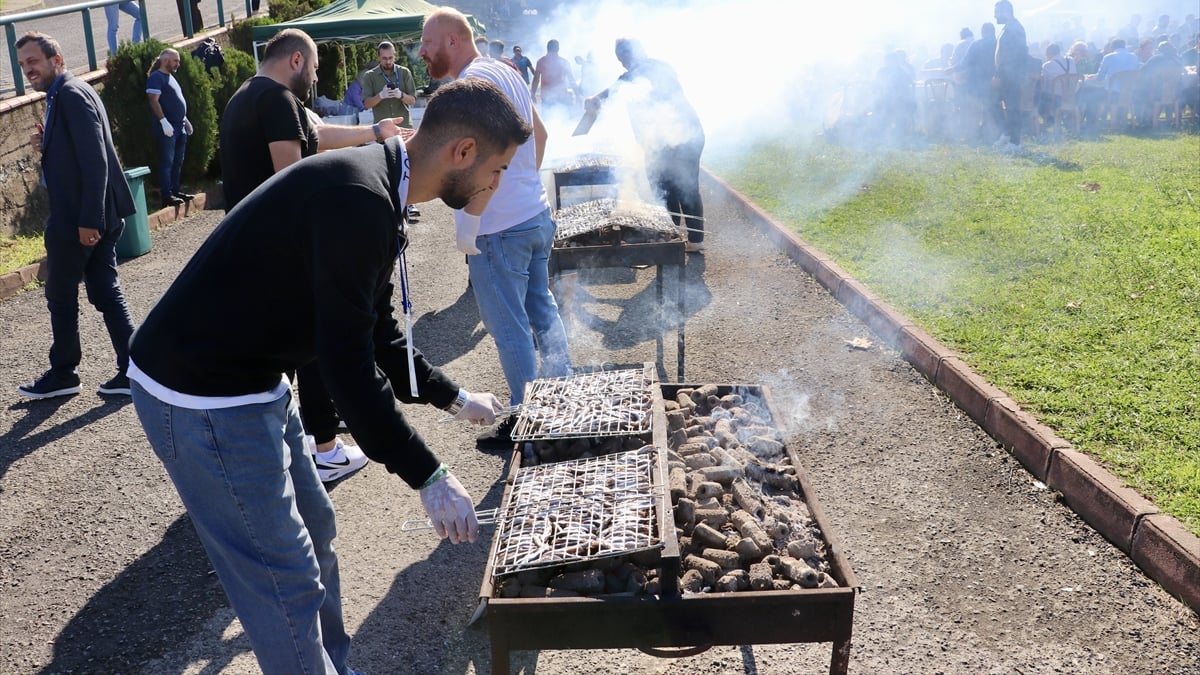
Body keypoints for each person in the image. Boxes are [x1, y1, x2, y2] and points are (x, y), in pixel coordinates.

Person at [128, 77, 522, 674]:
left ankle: (332, 667)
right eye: (498, 168)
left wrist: (454, 397)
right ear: (462, 151)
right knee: (283, 579)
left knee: (316, 529)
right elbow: (346, 368)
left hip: (258, 379)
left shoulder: (380, 185)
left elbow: (376, 330)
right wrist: (429, 475)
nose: (496, 184)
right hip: (201, 395)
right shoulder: (359, 199)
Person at [219, 28, 410, 482]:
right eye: (316, 67)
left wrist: (377, 133)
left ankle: (302, 440)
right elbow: (293, 179)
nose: (317, 76)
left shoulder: (248, 96)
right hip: (281, 246)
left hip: (252, 243)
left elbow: (318, 133)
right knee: (312, 345)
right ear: (297, 61)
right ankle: (324, 448)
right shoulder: (278, 101)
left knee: (290, 348)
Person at [419, 8, 573, 439]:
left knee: (510, 329)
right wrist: (524, 188)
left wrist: (471, 218)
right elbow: (538, 137)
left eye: (427, 42)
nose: (422, 51)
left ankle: (531, 423)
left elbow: (485, 162)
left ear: (453, 40)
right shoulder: (506, 72)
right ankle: (565, 401)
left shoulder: (473, 87)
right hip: (534, 217)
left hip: (500, 230)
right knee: (543, 311)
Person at [15, 32, 137, 399]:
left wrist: (89, 221)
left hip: (79, 216)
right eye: (22, 65)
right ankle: (135, 370)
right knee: (104, 289)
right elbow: (79, 149)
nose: (28, 70)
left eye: (33, 61)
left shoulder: (69, 94)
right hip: (91, 212)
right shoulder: (65, 93)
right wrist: (45, 143)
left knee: (60, 293)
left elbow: (95, 160)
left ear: (57, 59)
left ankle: (64, 373)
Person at [584, 38, 706, 252]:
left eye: (622, 59)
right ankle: (673, 233)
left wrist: (597, 97)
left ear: (631, 53)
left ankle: (694, 240)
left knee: (685, 186)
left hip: (682, 136)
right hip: (663, 142)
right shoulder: (644, 70)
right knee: (664, 186)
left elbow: (624, 84)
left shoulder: (651, 69)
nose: (622, 64)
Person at [361, 41, 419, 219]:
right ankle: (392, 205)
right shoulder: (370, 76)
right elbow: (366, 103)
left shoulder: (404, 72)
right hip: (382, 130)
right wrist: (380, 96)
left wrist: (401, 95)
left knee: (408, 166)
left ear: (395, 56)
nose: (388, 61)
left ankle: (409, 203)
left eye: (391, 57)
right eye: (384, 58)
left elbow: (413, 100)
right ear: (378, 57)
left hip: (404, 128)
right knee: (387, 167)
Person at [146, 48, 193, 208]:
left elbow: (174, 101)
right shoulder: (156, 78)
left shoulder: (171, 78)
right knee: (167, 161)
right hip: (168, 127)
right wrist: (163, 121)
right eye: (175, 61)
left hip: (179, 126)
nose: (178, 64)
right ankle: (167, 195)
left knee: (178, 161)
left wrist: (185, 119)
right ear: (165, 61)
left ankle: (175, 190)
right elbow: (153, 100)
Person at [992, 0, 1027, 152]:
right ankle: (1006, 133)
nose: (994, 16)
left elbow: (1018, 54)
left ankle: (1015, 142)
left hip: (1013, 75)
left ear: (1006, 12)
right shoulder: (1008, 28)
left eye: (997, 12)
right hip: (1006, 74)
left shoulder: (1016, 29)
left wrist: (1005, 74)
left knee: (1013, 108)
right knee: (997, 104)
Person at [530, 38, 576, 115]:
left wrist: (533, 93)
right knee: (562, 118)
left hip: (546, 96)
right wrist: (577, 94)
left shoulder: (541, 61)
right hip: (562, 95)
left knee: (548, 118)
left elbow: (536, 79)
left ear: (547, 49)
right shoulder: (564, 62)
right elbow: (571, 79)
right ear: (558, 49)